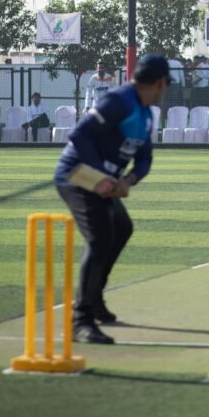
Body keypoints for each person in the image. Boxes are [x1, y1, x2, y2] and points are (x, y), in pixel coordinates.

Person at [54, 53, 171, 344]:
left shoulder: (145, 113)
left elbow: (144, 158)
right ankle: (80, 320)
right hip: (77, 175)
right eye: (167, 84)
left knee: (121, 227)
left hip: (104, 181)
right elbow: (80, 135)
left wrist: (128, 180)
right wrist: (103, 176)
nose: (166, 89)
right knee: (101, 236)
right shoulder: (120, 100)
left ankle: (93, 298)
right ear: (159, 82)